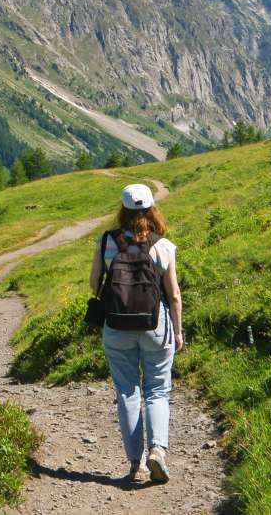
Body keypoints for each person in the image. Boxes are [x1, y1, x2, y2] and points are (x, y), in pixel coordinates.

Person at [90, 182, 182, 484]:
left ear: (123, 210)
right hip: (156, 325)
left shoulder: (106, 242)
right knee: (157, 389)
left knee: (127, 391)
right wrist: (178, 332)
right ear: (152, 209)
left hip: (116, 326)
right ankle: (158, 450)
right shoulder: (162, 246)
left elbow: (94, 285)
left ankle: (136, 464)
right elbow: (174, 295)